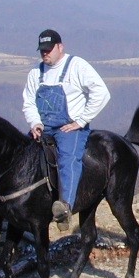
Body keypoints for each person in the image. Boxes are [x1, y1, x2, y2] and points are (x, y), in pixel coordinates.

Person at [22, 29, 111, 230]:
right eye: (42, 50)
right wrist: (34, 122)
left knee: (68, 159)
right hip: (42, 128)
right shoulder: (36, 73)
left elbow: (101, 93)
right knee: (20, 156)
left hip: (69, 128)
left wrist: (81, 121)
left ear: (60, 47)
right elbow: (29, 102)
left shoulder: (77, 66)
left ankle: (65, 208)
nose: (45, 54)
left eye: (49, 49)